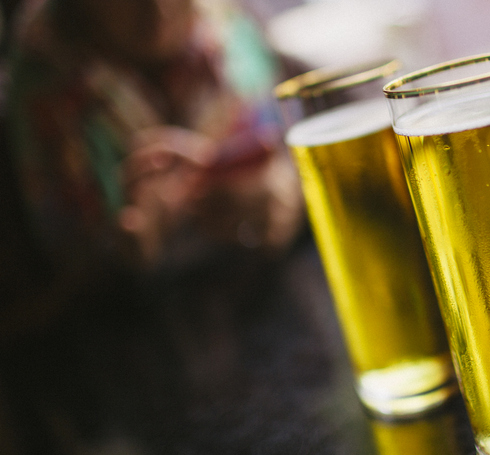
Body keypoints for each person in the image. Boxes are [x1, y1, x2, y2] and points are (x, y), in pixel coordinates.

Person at [3, 0, 305, 327]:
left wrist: (291, 200)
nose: (156, 10)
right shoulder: (37, 91)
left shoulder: (237, 27)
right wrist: (120, 265)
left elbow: (312, 154)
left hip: (284, 318)